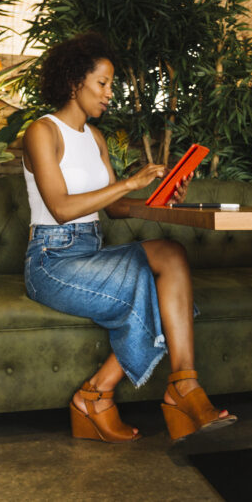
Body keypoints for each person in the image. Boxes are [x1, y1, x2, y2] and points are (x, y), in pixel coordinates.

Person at [22, 32, 237, 443]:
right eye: (102, 83)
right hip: (52, 260)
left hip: (91, 251)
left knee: (171, 254)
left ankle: (183, 384)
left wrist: (161, 198)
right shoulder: (42, 132)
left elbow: (115, 209)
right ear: (74, 83)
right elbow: (61, 208)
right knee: (149, 283)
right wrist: (127, 182)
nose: (109, 94)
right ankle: (96, 395)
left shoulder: (95, 138)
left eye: (111, 85)